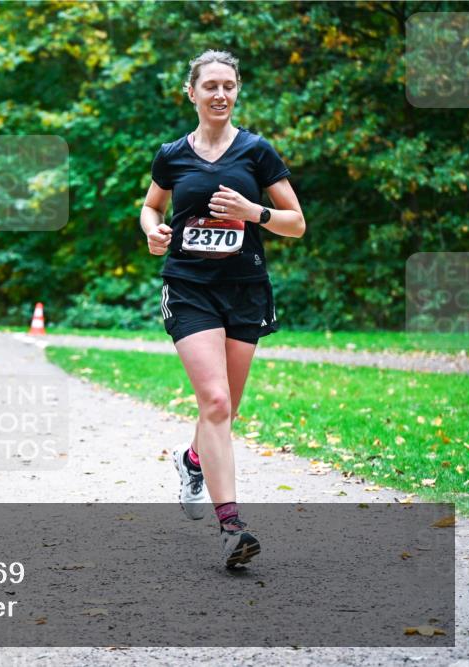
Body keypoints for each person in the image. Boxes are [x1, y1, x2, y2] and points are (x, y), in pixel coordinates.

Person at [139, 50, 305, 568]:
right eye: (209, 85)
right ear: (191, 93)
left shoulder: (257, 152)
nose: (220, 94)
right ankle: (233, 527)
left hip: (244, 288)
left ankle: (192, 461)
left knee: (227, 407)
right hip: (189, 286)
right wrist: (153, 232)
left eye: (228, 86)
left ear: (236, 92)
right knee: (213, 401)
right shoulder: (172, 154)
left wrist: (253, 211)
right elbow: (151, 206)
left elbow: (296, 222)